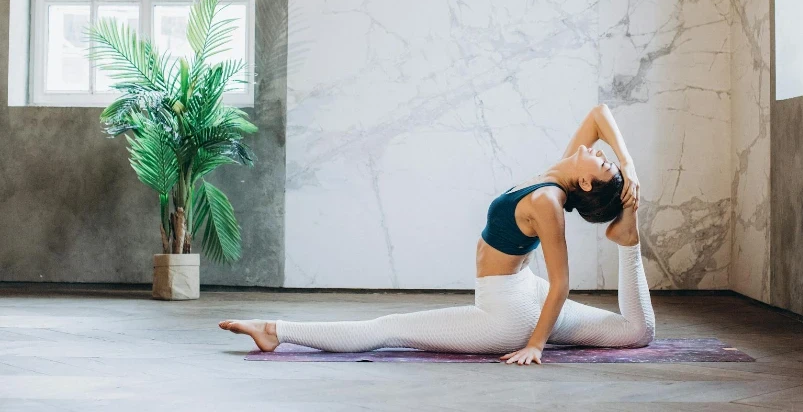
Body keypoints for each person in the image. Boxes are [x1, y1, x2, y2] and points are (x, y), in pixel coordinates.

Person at [219, 104, 655, 365]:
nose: (602, 154)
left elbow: (562, 282)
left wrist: (536, 345)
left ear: (585, 184)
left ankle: (276, 330)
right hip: (527, 294)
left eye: (606, 165)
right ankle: (627, 236)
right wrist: (629, 168)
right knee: (636, 333)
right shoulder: (557, 175)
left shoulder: (548, 202)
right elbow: (600, 114)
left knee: (389, 328)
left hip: (510, 314)